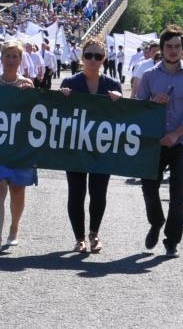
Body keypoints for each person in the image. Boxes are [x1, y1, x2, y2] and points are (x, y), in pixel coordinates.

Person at [137, 25, 183, 257]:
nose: (173, 51)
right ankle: (156, 222)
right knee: (148, 188)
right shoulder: (149, 76)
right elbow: (138, 107)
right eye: (169, 47)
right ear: (162, 49)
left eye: (177, 47)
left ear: (182, 48)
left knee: (177, 193)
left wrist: (176, 134)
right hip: (154, 142)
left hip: (181, 141)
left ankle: (172, 240)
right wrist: (152, 102)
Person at [59, 35, 122, 253]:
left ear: (104, 59)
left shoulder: (112, 84)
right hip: (75, 146)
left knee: (98, 192)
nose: (93, 60)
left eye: (98, 56)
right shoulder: (70, 83)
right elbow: (58, 114)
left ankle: (94, 234)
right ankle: (79, 238)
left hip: (101, 148)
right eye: (89, 55)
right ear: (82, 58)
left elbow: (122, 118)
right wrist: (62, 96)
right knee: (76, 193)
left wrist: (118, 101)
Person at [0, 41, 37, 252]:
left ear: (21, 60)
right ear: (1, 58)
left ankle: (14, 229)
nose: (11, 60)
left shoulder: (28, 85)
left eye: (15, 56)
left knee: (17, 189)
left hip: (20, 146)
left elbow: (35, 115)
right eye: (8, 55)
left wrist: (30, 94)